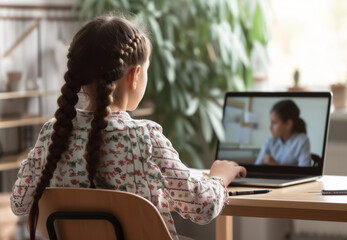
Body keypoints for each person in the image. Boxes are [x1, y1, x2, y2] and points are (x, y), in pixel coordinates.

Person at [10, 14, 246, 240]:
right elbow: (202, 207)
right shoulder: (144, 137)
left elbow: (19, 203)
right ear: (135, 75)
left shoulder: (53, 132)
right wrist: (219, 177)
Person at [254, 100, 311, 166]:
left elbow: (304, 169)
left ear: (288, 124)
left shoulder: (302, 140)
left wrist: (276, 165)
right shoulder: (269, 142)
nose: (270, 127)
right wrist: (294, 165)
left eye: (274, 123)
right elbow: (257, 166)